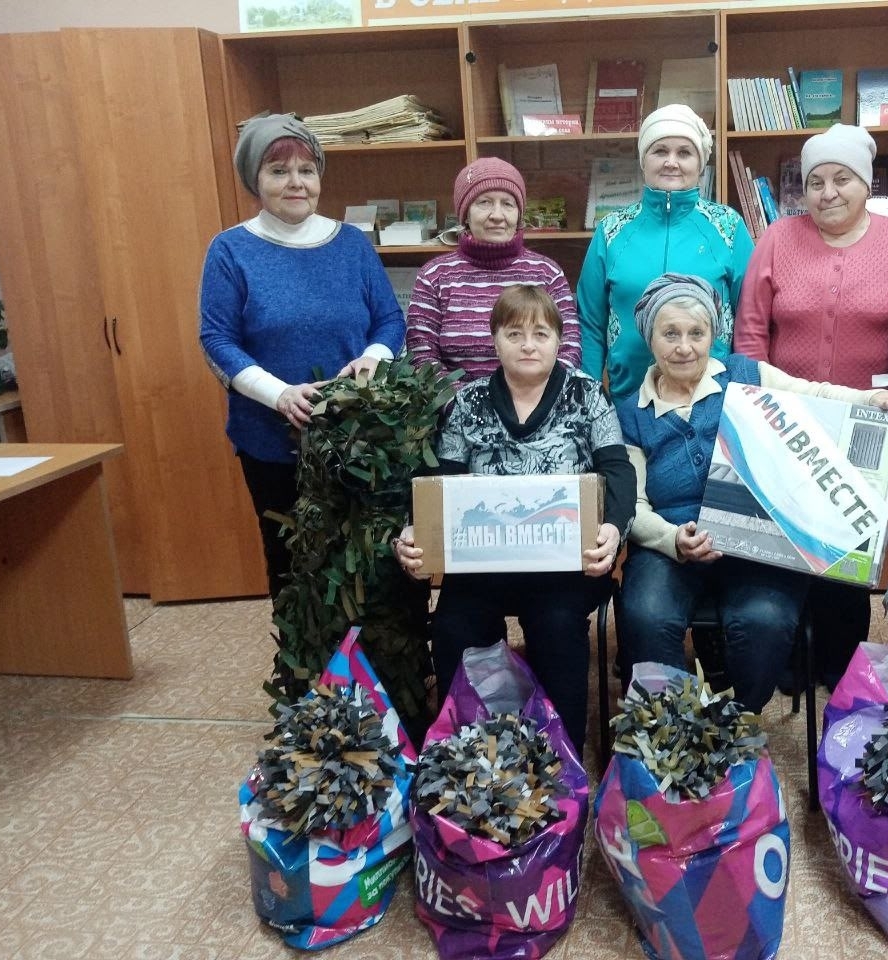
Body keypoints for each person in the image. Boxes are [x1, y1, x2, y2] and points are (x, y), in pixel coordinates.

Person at [616, 274, 888, 713]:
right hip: (671, 543)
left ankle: (736, 725)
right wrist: (672, 539)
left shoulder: (745, 374)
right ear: (650, 338)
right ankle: (673, 729)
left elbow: (812, 394)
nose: (684, 347)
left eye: (697, 333)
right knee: (646, 614)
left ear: (713, 335)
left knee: (765, 621)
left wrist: (869, 400)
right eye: (670, 334)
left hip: (758, 539)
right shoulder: (629, 412)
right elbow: (634, 503)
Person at [393, 285, 634, 756]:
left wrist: (612, 527)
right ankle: (466, 756)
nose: (528, 345)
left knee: (557, 626)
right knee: (454, 625)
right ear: (495, 340)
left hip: (564, 569)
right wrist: (414, 530)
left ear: (558, 340)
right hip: (483, 565)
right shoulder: (469, 402)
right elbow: (442, 481)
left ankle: (561, 756)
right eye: (514, 334)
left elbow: (617, 470)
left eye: (540, 334)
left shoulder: (588, 395)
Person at [734, 123, 888, 689]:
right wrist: (756, 408)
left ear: (866, 184)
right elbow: (751, 330)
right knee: (788, 538)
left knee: (848, 550)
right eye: (816, 181)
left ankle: (840, 665)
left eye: (842, 179)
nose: (828, 192)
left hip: (870, 425)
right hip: (787, 420)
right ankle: (791, 660)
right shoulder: (777, 238)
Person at [200, 112, 404, 606]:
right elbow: (217, 340)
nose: (296, 182)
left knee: (368, 560)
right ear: (255, 179)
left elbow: (389, 320)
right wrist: (279, 395)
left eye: (306, 170)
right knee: (293, 562)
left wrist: (373, 358)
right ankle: (305, 659)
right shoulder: (230, 250)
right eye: (279, 170)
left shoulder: (352, 243)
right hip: (272, 442)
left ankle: (368, 657)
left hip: (357, 437)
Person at [578, 103, 755, 404]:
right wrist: (589, 400)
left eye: (684, 153)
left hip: (711, 404)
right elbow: (589, 324)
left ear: (700, 164)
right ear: (643, 160)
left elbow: (750, 320)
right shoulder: (611, 231)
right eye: (660, 151)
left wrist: (743, 395)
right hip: (627, 402)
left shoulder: (728, 228)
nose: (671, 162)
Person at [406, 157, 580, 381]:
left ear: (519, 214)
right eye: (484, 202)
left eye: (508, 204)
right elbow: (422, 358)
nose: (497, 215)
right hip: (455, 401)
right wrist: (469, 399)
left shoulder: (547, 274)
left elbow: (569, 349)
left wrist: (530, 397)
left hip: (538, 400)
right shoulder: (434, 276)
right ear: (465, 214)